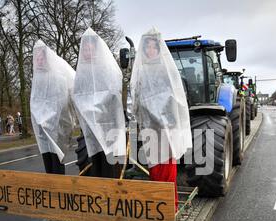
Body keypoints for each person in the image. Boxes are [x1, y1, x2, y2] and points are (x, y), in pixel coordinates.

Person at [130, 28, 192, 211]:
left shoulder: (166, 71)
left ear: (158, 50)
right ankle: (159, 206)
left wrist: (167, 119)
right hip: (150, 127)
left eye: (153, 47)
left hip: (167, 127)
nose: (150, 50)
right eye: (147, 47)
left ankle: (169, 207)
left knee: (168, 168)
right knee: (155, 168)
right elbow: (136, 98)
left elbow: (175, 98)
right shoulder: (140, 73)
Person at [72, 28, 126, 178]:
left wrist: (99, 107)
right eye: (86, 48)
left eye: (91, 47)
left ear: (96, 49)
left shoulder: (106, 69)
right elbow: (77, 94)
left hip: (108, 126)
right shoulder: (82, 73)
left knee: (110, 165)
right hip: (89, 126)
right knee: (94, 164)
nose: (88, 50)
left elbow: (114, 92)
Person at [30, 40, 76, 175]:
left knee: (56, 159)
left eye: (41, 56)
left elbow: (60, 101)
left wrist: (49, 118)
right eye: (36, 56)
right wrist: (39, 118)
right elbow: (35, 101)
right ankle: (51, 187)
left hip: (54, 126)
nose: (38, 59)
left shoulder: (57, 76)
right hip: (41, 126)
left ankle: (59, 187)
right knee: (47, 158)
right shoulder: (37, 78)